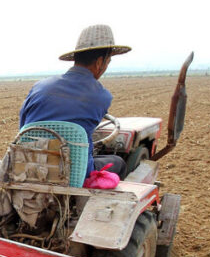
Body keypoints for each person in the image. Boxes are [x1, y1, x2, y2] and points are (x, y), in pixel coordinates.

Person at [19, 24, 130, 178]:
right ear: (99, 62)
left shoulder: (39, 87)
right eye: (107, 62)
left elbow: (24, 128)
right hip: (75, 174)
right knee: (118, 163)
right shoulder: (102, 96)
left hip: (30, 168)